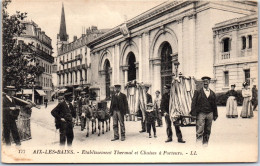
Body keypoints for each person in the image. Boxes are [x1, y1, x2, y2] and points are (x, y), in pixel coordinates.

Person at [191, 76, 218, 146]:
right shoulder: (198, 92)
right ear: (202, 82)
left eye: (207, 81)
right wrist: (193, 114)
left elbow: (214, 105)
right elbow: (193, 103)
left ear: (209, 82)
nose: (205, 82)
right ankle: (198, 145)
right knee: (200, 129)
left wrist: (215, 114)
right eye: (204, 81)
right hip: (201, 114)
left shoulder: (212, 93)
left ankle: (205, 145)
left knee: (208, 130)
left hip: (210, 114)